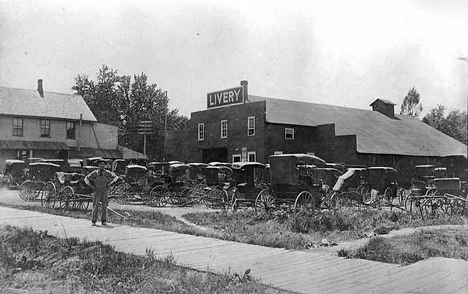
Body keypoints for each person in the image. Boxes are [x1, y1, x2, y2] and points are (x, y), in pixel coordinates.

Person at [84, 159, 118, 226]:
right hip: (97, 191)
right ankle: (93, 221)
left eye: (103, 164)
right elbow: (86, 178)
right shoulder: (95, 173)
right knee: (95, 206)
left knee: (104, 206)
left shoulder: (107, 173)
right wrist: (90, 185)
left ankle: (104, 221)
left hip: (105, 191)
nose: (102, 166)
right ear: (98, 165)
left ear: (105, 165)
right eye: (101, 164)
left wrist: (110, 183)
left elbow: (116, 177)